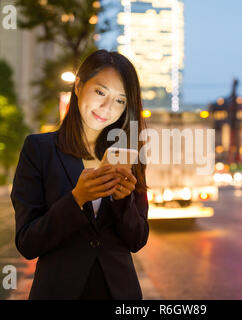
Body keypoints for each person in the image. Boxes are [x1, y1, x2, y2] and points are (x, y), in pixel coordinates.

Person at [10, 49, 149, 300]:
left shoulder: (128, 154)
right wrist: (76, 199)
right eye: (100, 92)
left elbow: (137, 240)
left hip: (118, 292)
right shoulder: (39, 149)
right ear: (78, 86)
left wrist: (122, 201)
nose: (107, 108)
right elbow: (27, 242)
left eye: (120, 100)